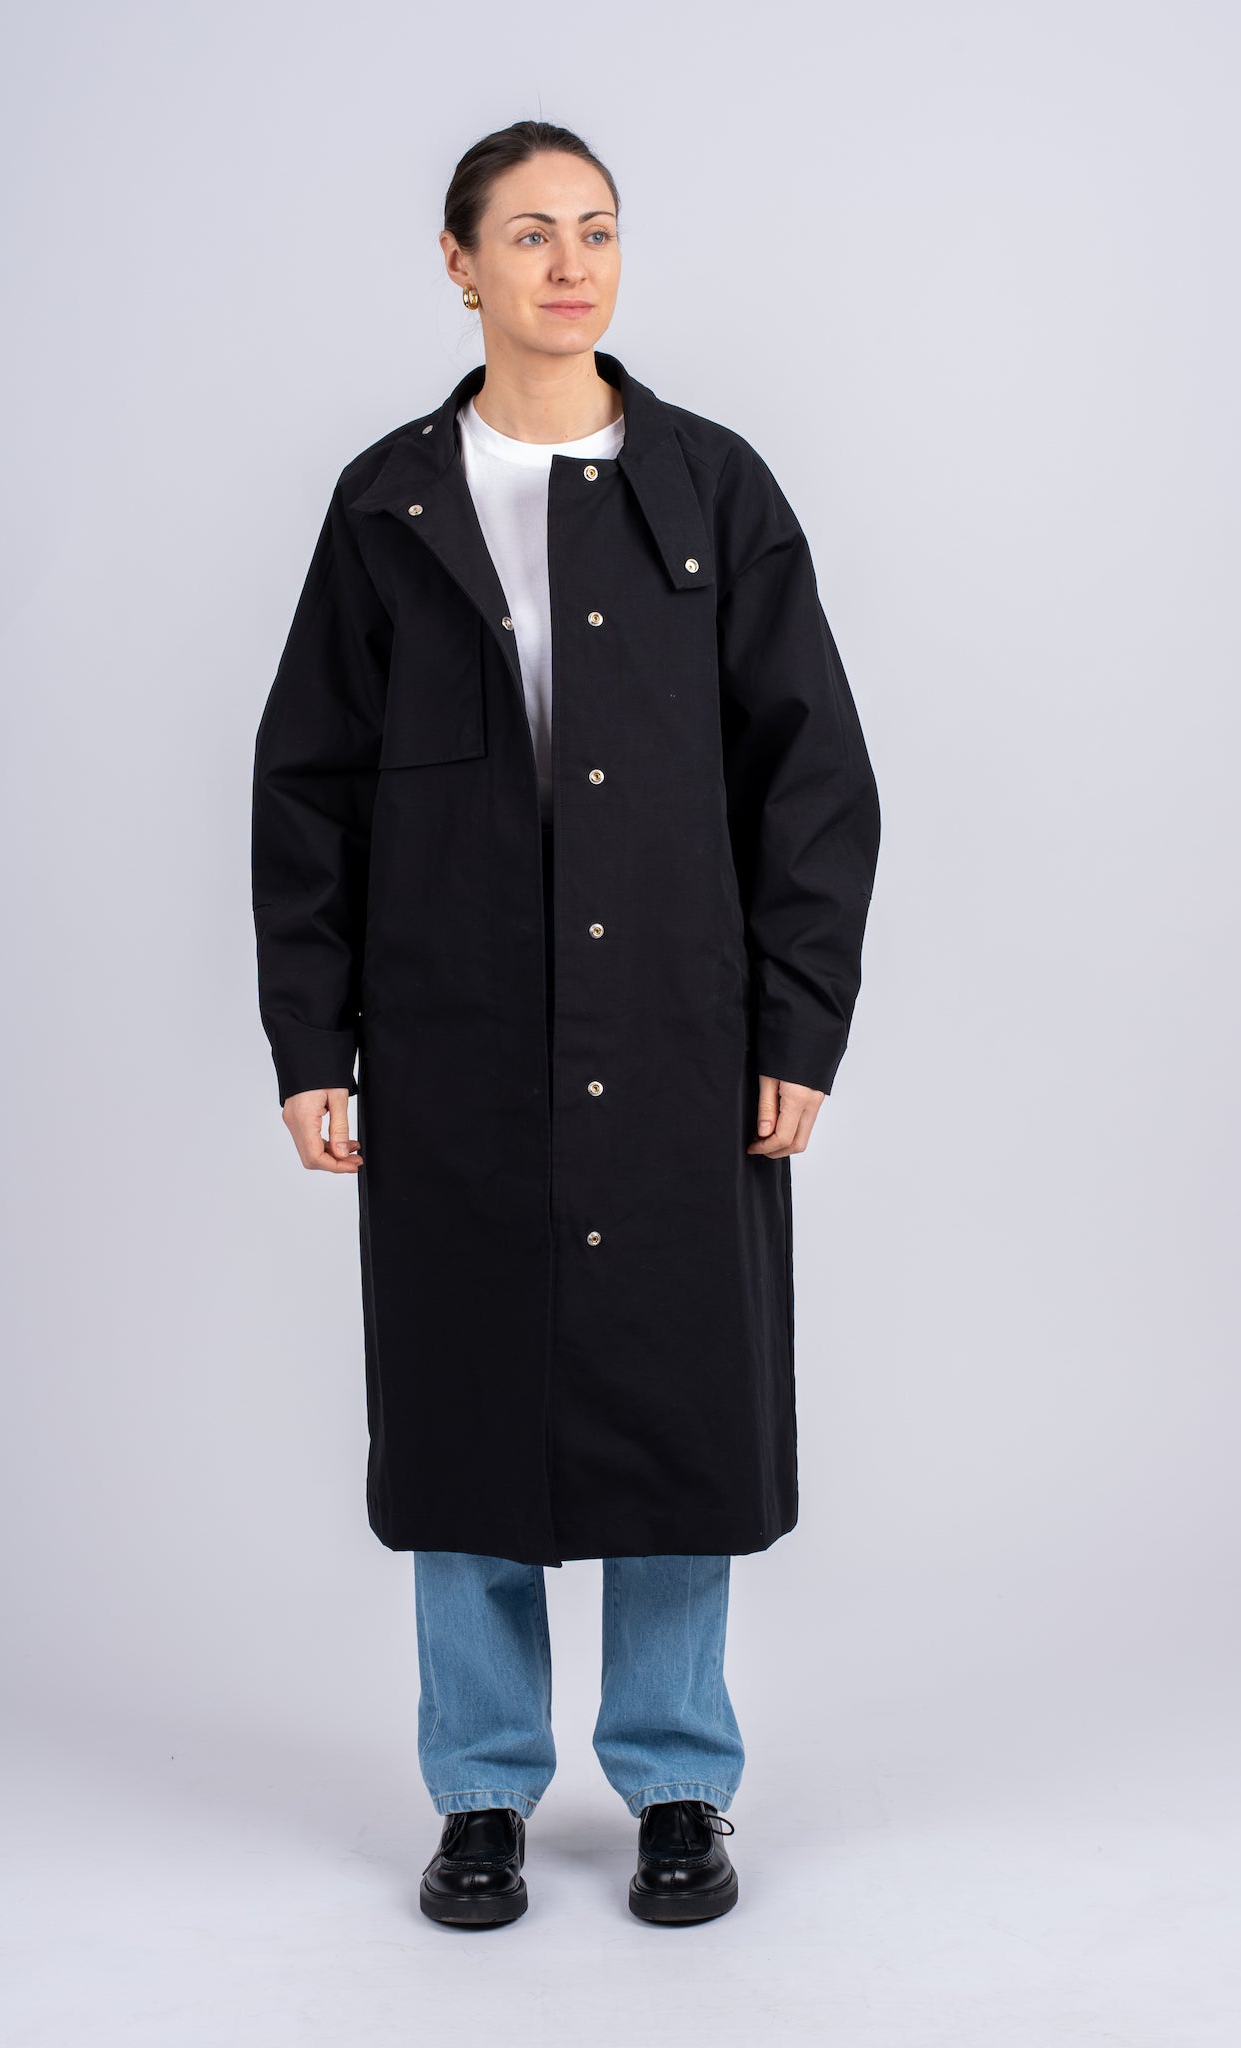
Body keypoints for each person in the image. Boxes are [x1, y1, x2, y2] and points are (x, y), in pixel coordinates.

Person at [251, 119, 881, 1929]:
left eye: (594, 229)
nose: (568, 264)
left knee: (677, 1399)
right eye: (527, 233)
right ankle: (480, 1791)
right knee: (466, 1399)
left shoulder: (709, 486)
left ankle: (679, 1781)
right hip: (450, 1032)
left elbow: (810, 776)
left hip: (676, 1027)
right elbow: (309, 787)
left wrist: (796, 1022)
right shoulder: (388, 503)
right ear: (457, 263)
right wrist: (312, 1040)